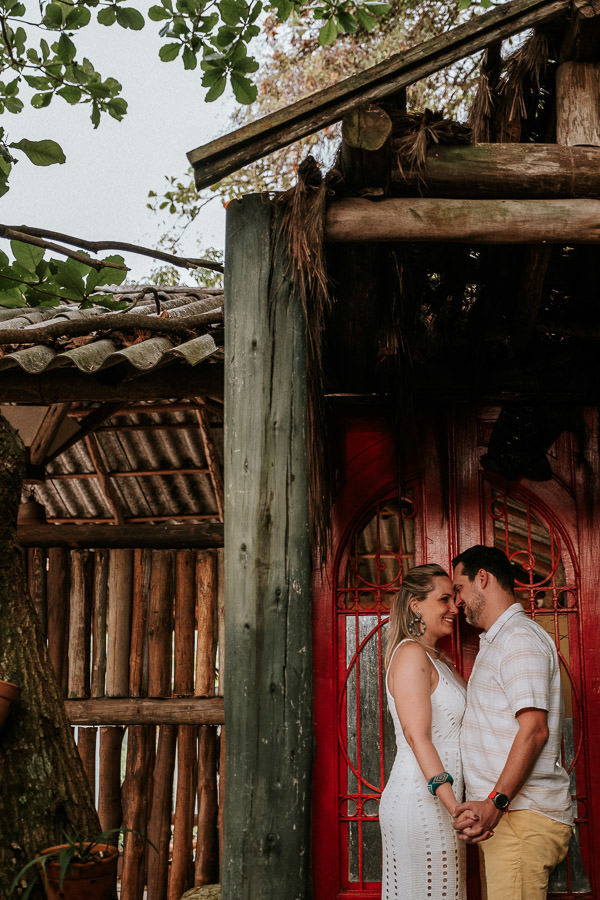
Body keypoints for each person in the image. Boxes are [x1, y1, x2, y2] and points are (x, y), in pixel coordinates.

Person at [452, 545, 573, 900]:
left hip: (520, 817)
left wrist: (495, 803)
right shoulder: (499, 640)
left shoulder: (519, 639)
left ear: (483, 579)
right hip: (508, 819)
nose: (457, 601)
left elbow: (534, 730)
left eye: (459, 588)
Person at [379, 563, 472, 900]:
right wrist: (454, 808)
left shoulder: (436, 658)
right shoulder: (410, 654)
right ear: (416, 604)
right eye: (444, 600)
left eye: (455, 600)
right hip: (420, 802)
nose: (454, 608)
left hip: (443, 801)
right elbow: (417, 736)